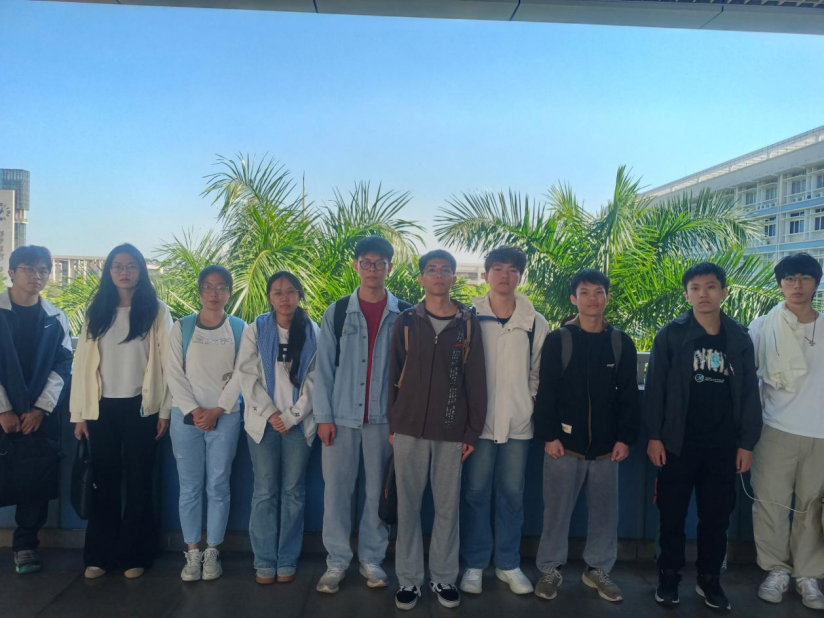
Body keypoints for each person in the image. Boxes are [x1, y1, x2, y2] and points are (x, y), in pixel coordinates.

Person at [644, 261, 762, 611]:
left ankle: (709, 579)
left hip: (723, 445)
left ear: (723, 291)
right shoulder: (671, 334)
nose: (703, 294)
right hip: (677, 443)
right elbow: (655, 389)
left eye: (710, 287)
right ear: (686, 295)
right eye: (695, 288)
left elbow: (750, 394)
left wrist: (746, 443)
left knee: (716, 518)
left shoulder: (739, 338)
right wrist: (654, 436)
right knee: (672, 514)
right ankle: (668, 577)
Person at [388, 249, 487, 611]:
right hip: (408, 429)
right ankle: (409, 580)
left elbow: (476, 381)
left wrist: (472, 432)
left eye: (445, 270)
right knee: (408, 508)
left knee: (447, 509)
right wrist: (394, 423)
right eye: (432, 270)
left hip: (451, 430)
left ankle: (444, 577)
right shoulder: (406, 321)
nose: (439, 275)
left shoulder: (468, 323)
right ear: (421, 278)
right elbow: (393, 374)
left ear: (453, 278)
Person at [533, 268, 639, 603]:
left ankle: (598, 568)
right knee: (556, 512)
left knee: (606, 514)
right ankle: (550, 568)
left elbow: (629, 396)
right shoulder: (559, 340)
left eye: (598, 292)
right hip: (564, 446)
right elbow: (547, 392)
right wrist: (549, 435)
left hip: (608, 448)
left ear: (607, 297)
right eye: (585, 292)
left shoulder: (620, 342)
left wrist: (625, 438)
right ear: (573, 298)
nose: (592, 299)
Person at [70, 243, 173, 580]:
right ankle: (100, 555)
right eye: (117, 266)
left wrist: (165, 410)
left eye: (130, 266)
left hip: (142, 407)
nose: (124, 272)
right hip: (101, 408)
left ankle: (135, 555)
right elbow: (81, 365)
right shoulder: (97, 310)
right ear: (109, 271)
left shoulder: (156, 311)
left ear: (140, 270)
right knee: (104, 481)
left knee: (140, 481)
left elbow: (169, 365)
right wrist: (79, 414)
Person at [314, 236, 410, 594]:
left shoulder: (405, 314)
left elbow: (411, 376)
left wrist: (402, 423)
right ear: (356, 266)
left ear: (389, 268)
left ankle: (372, 559)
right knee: (336, 493)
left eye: (380, 263)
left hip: (384, 422)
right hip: (340, 419)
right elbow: (323, 369)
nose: (373, 269)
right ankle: (336, 562)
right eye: (366, 262)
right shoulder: (338, 311)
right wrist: (323, 417)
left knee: (377, 493)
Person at [459, 246, 548, 596]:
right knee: (475, 493)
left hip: (518, 426)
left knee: (512, 495)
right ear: (486, 275)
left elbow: (538, 371)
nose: (505, 275)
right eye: (498, 269)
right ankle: (475, 563)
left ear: (520, 276)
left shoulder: (535, 322)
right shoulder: (469, 317)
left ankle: (508, 563)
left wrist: (526, 404)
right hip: (478, 425)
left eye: (512, 270)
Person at [748, 253, 824, 610]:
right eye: (790, 278)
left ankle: (808, 576)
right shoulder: (763, 326)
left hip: (820, 434)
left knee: (813, 508)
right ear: (780, 284)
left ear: (816, 284)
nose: (797, 285)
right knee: (770, 505)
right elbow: (747, 379)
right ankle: (776, 570)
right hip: (775, 429)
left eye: (805, 278)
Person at [237, 271, 319, 585]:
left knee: (293, 492)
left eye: (290, 291)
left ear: (299, 295)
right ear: (269, 297)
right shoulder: (256, 329)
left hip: (298, 424)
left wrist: (292, 416)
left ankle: (286, 559)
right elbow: (246, 375)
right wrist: (272, 414)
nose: (284, 298)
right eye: (277, 292)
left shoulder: (312, 330)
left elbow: (317, 380)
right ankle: (264, 560)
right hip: (263, 423)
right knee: (264, 492)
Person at [167, 265, 245, 582]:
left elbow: (242, 373)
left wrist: (217, 410)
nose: (215, 293)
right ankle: (192, 550)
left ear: (229, 292)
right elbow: (173, 372)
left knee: (218, 484)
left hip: (226, 417)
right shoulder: (182, 328)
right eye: (209, 287)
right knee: (189, 487)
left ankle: (212, 550)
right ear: (200, 291)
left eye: (221, 287)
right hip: (185, 417)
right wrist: (195, 410)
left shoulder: (240, 328)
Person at [0, 245, 72, 574]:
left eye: (43, 270)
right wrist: (3, 409)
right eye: (29, 269)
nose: (37, 275)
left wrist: (41, 408)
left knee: (35, 479)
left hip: (39, 415)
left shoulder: (56, 318)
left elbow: (63, 364)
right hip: (3, 411)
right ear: (11, 272)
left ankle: (26, 545)